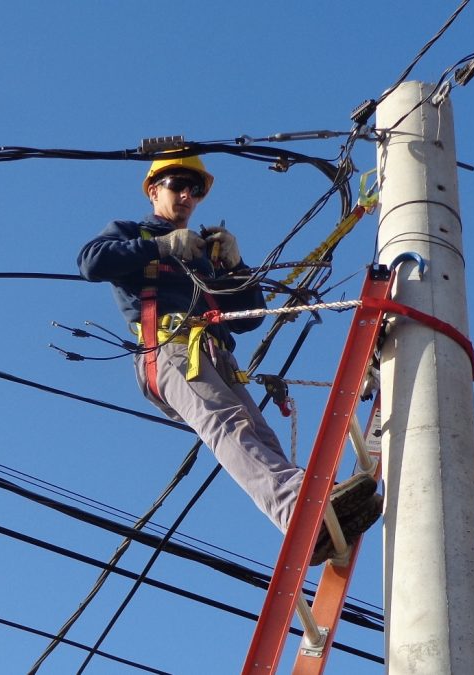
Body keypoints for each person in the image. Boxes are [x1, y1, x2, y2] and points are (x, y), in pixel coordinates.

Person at [77, 154, 381, 564]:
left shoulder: (204, 252)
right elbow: (91, 262)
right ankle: (296, 508)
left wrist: (235, 265)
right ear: (153, 190)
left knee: (258, 433)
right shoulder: (133, 233)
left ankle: (316, 517)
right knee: (227, 426)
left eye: (195, 189)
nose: (187, 195)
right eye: (176, 185)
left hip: (214, 352)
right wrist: (161, 246)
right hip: (170, 350)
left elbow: (248, 316)